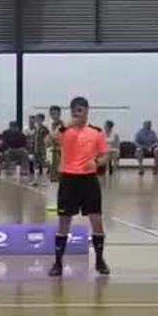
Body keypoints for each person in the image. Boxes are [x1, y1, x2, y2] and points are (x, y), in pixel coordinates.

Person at [49, 97, 109, 277]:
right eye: (75, 111)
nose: (78, 115)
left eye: (81, 111)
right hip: (69, 179)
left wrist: (97, 162)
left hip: (89, 180)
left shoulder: (96, 132)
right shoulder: (64, 131)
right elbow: (46, 142)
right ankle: (58, 263)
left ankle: (99, 260)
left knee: (96, 220)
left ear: (87, 111)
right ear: (71, 112)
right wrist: (66, 126)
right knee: (64, 221)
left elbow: (105, 155)